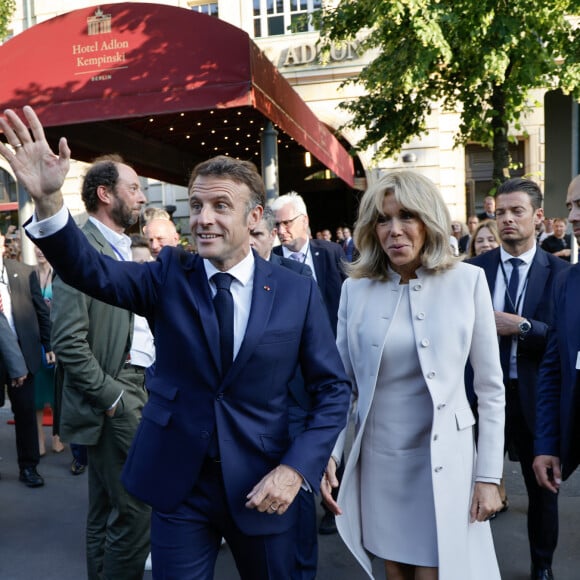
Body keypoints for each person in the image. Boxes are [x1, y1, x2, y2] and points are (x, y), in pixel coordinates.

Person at [1, 105, 351, 580]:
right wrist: (48, 202)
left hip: (265, 482)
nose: (203, 219)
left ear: (254, 218)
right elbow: (91, 270)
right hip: (179, 484)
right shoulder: (170, 275)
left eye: (220, 206)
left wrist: (298, 468)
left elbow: (332, 390)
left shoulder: (295, 290)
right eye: (197, 205)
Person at [322, 170, 505, 580]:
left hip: (444, 461)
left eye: (407, 216)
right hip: (380, 463)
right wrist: (330, 453)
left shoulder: (468, 281)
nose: (394, 230)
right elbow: (341, 386)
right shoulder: (355, 289)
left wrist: (489, 476)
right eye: (383, 220)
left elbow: (490, 389)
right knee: (395, 571)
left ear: (430, 221)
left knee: (437, 571)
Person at [45, 152, 151, 579]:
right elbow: (68, 342)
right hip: (117, 391)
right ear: (105, 194)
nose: (142, 197)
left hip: (130, 386)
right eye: (134, 188)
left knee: (105, 507)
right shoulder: (84, 248)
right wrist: (114, 398)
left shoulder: (119, 246)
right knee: (136, 509)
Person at [467, 177, 570, 580]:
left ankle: (541, 565)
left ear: (539, 217)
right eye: (501, 212)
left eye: (517, 211)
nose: (506, 219)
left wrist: (524, 327)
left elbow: (564, 340)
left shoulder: (561, 274)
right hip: (481, 396)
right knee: (471, 482)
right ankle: (470, 564)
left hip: (535, 396)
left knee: (542, 487)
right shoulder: (474, 270)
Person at [270, 191, 347, 536]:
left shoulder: (332, 254)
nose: (282, 230)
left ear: (304, 221)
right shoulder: (270, 261)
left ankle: (336, 501)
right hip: (295, 369)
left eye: (287, 222)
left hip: (335, 355)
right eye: (277, 224)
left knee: (335, 426)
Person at [533, 174, 580, 506]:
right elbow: (553, 369)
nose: (573, 216)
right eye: (570, 206)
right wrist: (547, 443)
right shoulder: (568, 283)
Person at [0, 231, 52, 487]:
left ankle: (29, 468)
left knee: (25, 411)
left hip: (23, 351)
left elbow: (41, 310)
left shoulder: (24, 271)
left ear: (2, 243)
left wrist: (48, 343)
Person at [32, 245, 64, 456]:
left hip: (58, 340)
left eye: (45, 246)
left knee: (57, 392)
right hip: (36, 342)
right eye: (38, 246)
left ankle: (57, 437)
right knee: (37, 394)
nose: (42, 250)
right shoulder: (29, 275)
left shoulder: (60, 275)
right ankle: (39, 440)